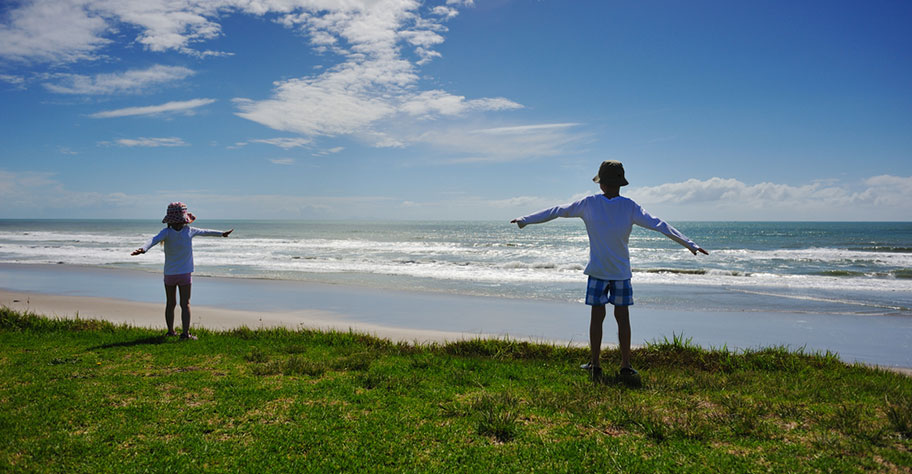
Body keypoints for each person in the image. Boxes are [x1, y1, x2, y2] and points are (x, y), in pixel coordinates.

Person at [511, 161, 708, 381]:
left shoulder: (588, 203)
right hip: (621, 273)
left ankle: (595, 364)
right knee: (623, 318)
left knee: (597, 317)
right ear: (621, 184)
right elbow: (659, 224)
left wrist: (525, 220)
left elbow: (557, 210)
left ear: (601, 183)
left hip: (597, 271)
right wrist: (690, 244)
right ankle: (625, 365)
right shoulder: (630, 206)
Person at [131, 202, 233, 340]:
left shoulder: (166, 232)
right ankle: (185, 334)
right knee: (185, 304)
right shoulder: (189, 231)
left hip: (169, 275)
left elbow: (153, 240)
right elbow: (206, 231)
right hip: (185, 274)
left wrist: (143, 249)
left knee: (170, 303)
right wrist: (222, 234)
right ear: (184, 219)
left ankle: (170, 331)